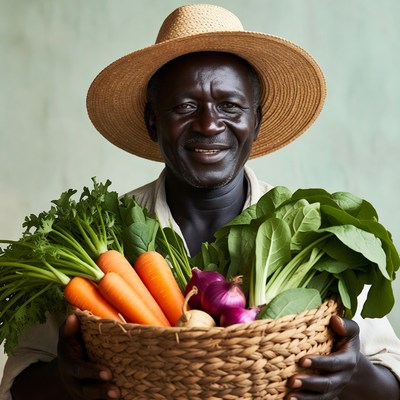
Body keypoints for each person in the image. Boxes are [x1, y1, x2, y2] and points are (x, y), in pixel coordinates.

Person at [1, 4, 400, 400]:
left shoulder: (314, 234)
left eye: (230, 106)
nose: (209, 124)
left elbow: (392, 381)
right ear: (152, 121)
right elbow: (16, 385)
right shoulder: (99, 235)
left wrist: (352, 372)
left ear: (256, 121)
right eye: (184, 107)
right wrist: (63, 378)